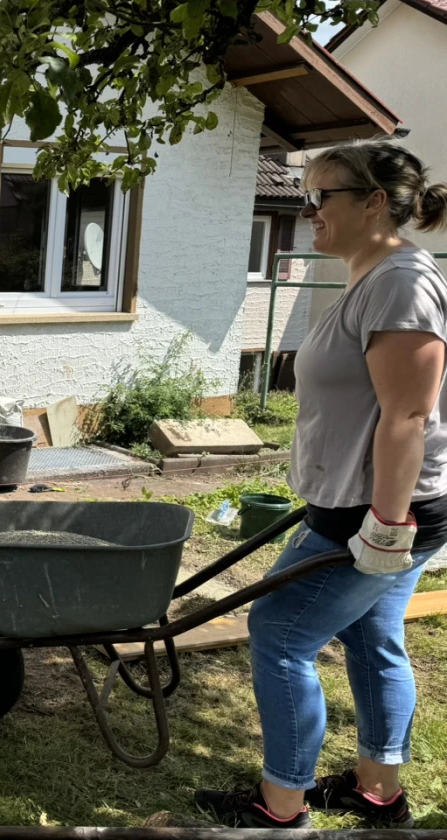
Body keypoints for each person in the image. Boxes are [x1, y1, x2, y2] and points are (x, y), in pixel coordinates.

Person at [196, 141, 447, 829]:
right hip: (366, 506)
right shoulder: (374, 279)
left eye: (321, 196)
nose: (308, 210)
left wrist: (386, 527)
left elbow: (408, 413)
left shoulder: (401, 282)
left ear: (373, 202)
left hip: (377, 513)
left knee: (278, 633)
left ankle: (280, 809)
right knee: (373, 636)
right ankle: (378, 791)